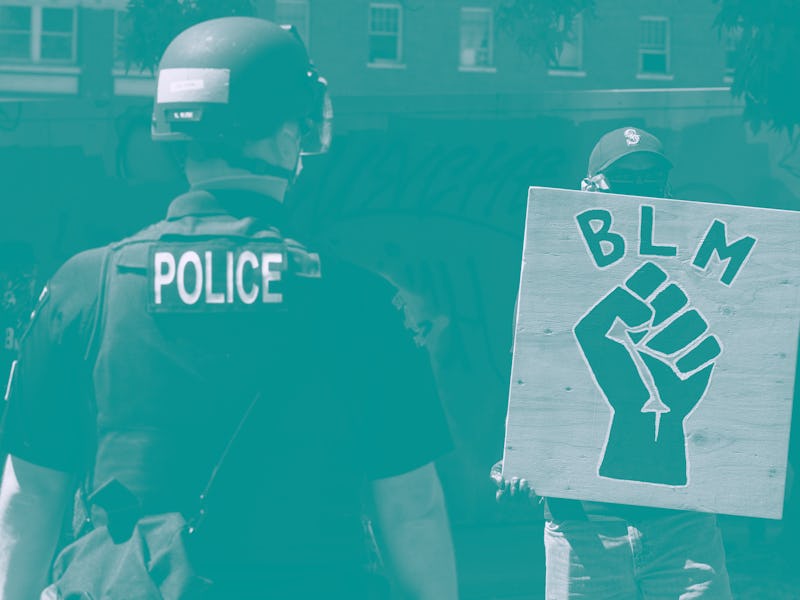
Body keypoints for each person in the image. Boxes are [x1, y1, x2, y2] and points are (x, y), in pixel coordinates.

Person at [0, 17, 457, 600]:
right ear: (290, 135)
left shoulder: (85, 288)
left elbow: (32, 491)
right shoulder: (362, 303)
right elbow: (411, 505)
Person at [494, 127, 733, 599]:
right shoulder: (554, 271)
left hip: (685, 528)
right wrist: (520, 456)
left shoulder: (703, 280)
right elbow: (538, 387)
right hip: (583, 529)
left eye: (651, 177)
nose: (639, 189)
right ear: (589, 187)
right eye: (624, 178)